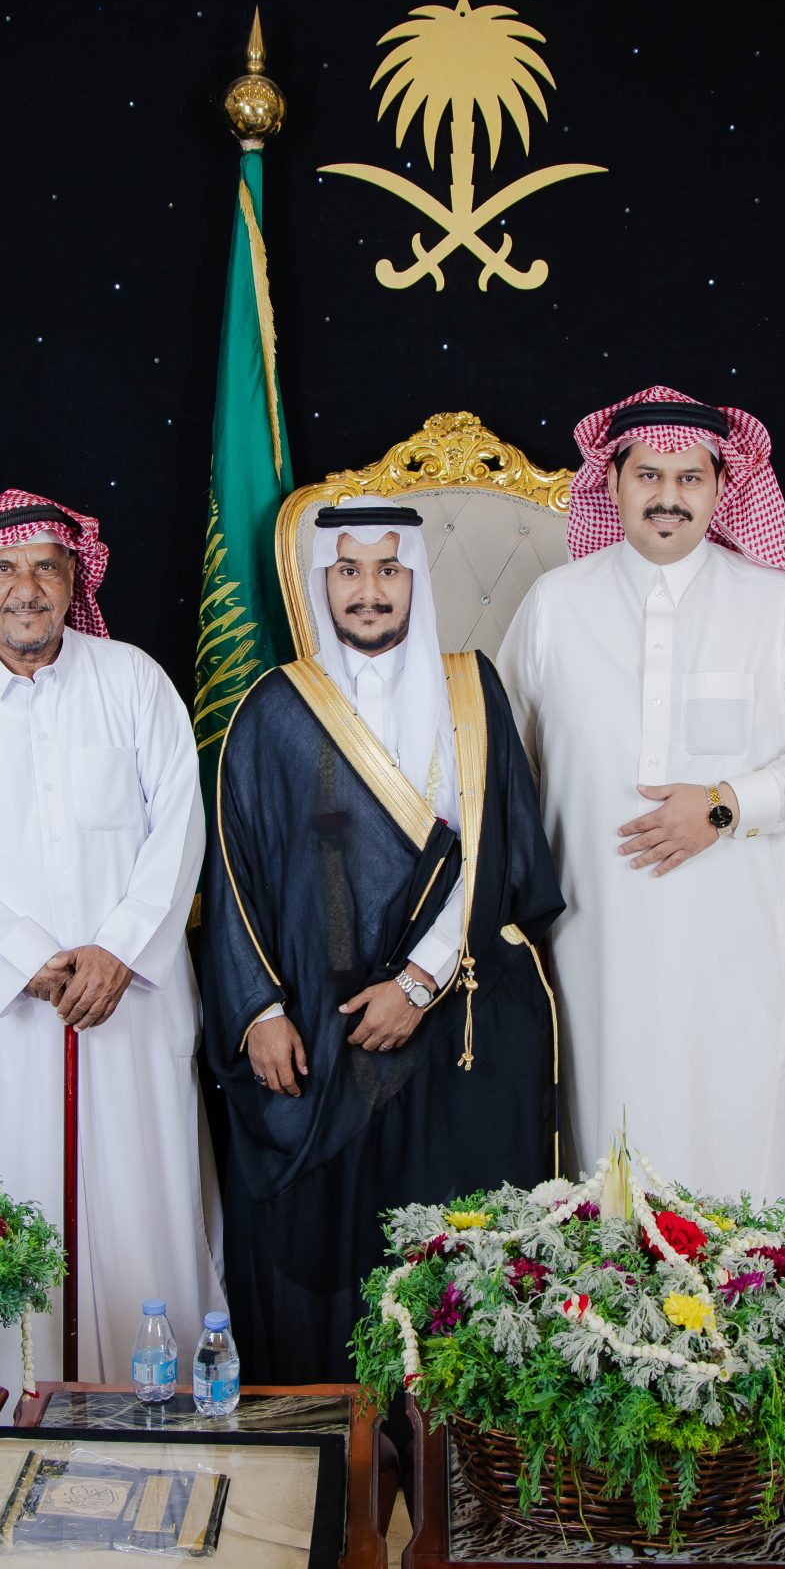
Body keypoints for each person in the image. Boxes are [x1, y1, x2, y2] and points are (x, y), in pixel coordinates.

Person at [202, 499, 565, 1381]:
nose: (369, 591)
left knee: (452, 1248)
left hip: (449, 1014)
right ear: (322, 581)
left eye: (389, 570)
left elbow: (505, 853)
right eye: (349, 571)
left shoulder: (472, 691)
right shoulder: (274, 707)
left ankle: (460, 1430)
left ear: (415, 581)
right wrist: (257, 1012)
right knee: (323, 1244)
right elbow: (233, 868)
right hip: (321, 1026)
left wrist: (417, 983)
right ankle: (329, 1422)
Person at [0, 491, 222, 1389]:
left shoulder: (133, 680)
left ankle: (166, 1405)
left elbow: (181, 825)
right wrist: (19, 953)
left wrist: (118, 948)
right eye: (4, 569)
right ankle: (22, 1404)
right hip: (12, 1012)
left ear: (74, 580)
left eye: (45, 567)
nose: (25, 587)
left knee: (147, 1192)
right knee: (18, 1198)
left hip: (132, 1001)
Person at [496, 385, 785, 1204]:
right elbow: (498, 766)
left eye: (690, 477)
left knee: (740, 1155)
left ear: (722, 487)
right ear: (612, 482)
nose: (668, 495)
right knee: (604, 1153)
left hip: (745, 947)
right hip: (594, 946)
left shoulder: (777, 605)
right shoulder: (556, 605)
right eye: (649, 475)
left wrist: (726, 803)